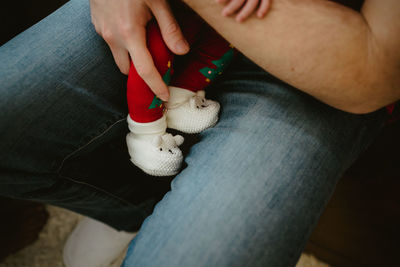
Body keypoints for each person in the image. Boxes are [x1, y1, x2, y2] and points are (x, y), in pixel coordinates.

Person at [0, 1, 398, 267]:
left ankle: (167, 209)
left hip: (322, 66)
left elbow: (373, 71)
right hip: (173, 14)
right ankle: (133, 209)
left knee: (199, 254)